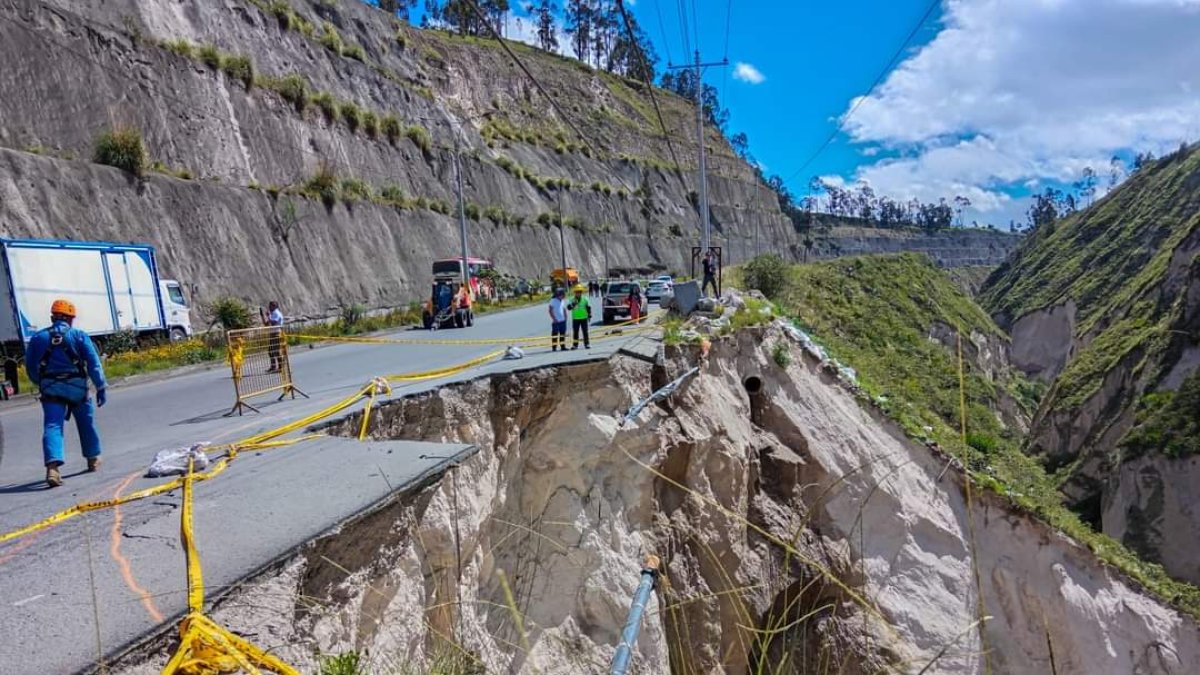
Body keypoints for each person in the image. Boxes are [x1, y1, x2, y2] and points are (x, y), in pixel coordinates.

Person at [24, 299, 107, 488]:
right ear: (70, 319)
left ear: (52, 317)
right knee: (86, 423)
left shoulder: (38, 338)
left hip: (51, 389)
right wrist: (101, 386)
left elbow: (30, 367)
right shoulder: (78, 335)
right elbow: (94, 364)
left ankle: (53, 468)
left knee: (53, 425)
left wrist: (42, 382)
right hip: (78, 388)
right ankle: (92, 458)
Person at [261, 301, 284, 373]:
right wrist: (262, 316)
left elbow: (274, 323)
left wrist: (268, 316)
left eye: (270, 306)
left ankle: (281, 367)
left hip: (276, 333)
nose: (269, 307)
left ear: (274, 306)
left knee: (276, 351)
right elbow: (266, 324)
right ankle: (273, 366)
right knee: (270, 351)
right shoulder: (272, 314)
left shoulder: (277, 313)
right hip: (272, 333)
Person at [567, 283, 592, 349]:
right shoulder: (572, 299)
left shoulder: (585, 299)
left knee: (585, 332)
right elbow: (568, 308)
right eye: (577, 292)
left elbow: (588, 307)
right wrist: (573, 304)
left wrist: (589, 315)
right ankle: (575, 345)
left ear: (581, 292)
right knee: (575, 332)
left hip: (584, 318)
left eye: (579, 292)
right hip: (575, 318)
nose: (578, 293)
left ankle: (587, 344)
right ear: (575, 292)